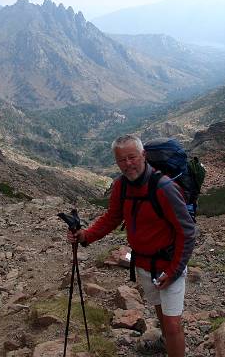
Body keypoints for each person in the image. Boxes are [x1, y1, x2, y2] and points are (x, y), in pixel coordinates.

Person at [68, 134, 195, 357]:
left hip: (168, 263)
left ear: (143, 156)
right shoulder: (121, 186)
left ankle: (172, 346)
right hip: (144, 263)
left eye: (132, 157)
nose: (127, 164)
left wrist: (174, 270)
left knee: (173, 323)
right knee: (160, 310)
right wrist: (85, 236)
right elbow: (112, 217)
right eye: (121, 160)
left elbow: (187, 231)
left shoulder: (164, 188)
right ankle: (165, 343)